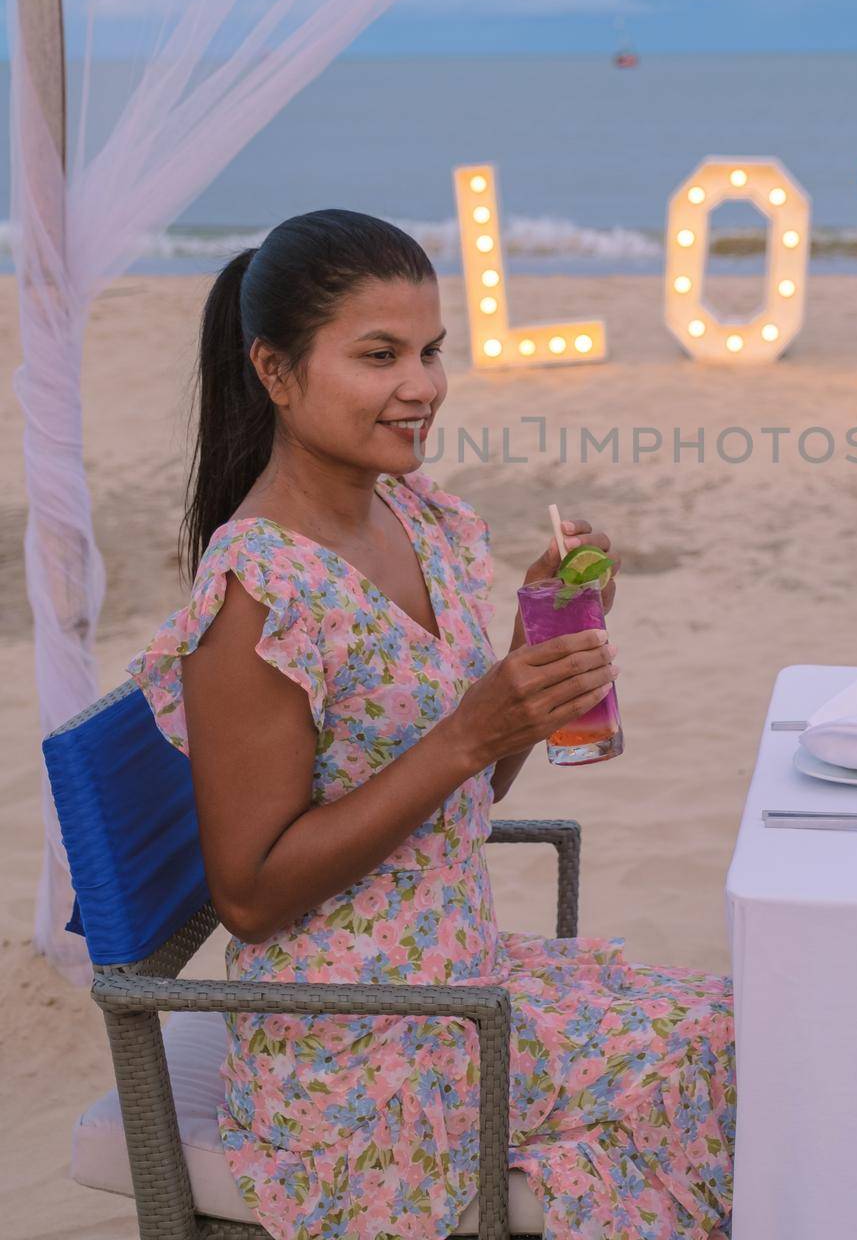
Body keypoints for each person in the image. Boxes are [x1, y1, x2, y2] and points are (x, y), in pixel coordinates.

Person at [126, 209, 735, 1240]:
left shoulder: (418, 519)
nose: (421, 385)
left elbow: (466, 790)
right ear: (274, 371)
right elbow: (251, 895)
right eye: (378, 356)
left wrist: (523, 669)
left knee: (747, 1021)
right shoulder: (259, 593)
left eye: (430, 351)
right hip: (361, 1053)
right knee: (729, 1058)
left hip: (464, 979)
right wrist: (468, 728)